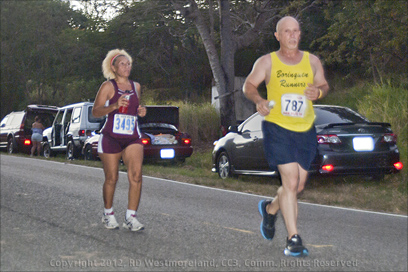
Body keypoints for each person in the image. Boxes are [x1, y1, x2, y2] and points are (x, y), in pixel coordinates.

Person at [243, 16, 329, 257]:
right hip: (278, 127)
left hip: (305, 129)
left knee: (298, 185)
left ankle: (270, 209)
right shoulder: (267, 62)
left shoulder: (312, 61)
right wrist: (258, 99)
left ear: (300, 34)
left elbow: (323, 85)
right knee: (290, 182)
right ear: (278, 36)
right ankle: (293, 238)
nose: (292, 35)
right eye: (286, 31)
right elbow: (248, 85)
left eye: (296, 31)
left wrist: (318, 92)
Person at [92, 49, 147, 231]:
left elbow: (136, 108)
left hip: (132, 137)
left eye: (129, 63)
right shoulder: (108, 86)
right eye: (122, 64)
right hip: (111, 137)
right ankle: (108, 214)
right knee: (112, 178)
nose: (126, 66)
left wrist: (141, 111)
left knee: (136, 176)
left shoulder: (136, 86)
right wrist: (114, 105)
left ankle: (131, 217)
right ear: (114, 68)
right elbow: (95, 111)